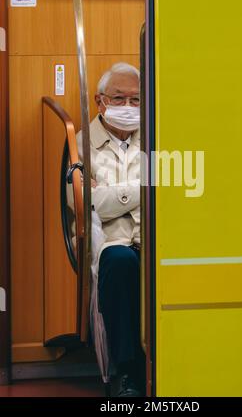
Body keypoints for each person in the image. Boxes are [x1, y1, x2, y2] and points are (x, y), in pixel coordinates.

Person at [76, 62, 145, 397]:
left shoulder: (158, 136)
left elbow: (173, 192)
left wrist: (112, 195)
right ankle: (127, 371)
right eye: (119, 99)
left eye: (136, 100)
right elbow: (85, 203)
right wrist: (143, 188)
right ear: (100, 100)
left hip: (152, 238)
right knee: (121, 262)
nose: (129, 108)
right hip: (111, 243)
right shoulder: (81, 144)